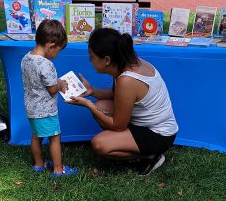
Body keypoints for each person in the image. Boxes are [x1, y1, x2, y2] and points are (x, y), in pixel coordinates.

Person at [66, 28, 178, 175]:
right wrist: (93, 91)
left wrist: (89, 105)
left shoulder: (127, 80)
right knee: (101, 105)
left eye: (92, 56)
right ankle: (132, 146)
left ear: (107, 60)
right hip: (147, 125)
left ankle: (150, 157)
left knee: (100, 144)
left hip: (159, 135)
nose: (89, 60)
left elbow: (118, 126)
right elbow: (116, 95)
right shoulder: (125, 62)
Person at [21, 19, 78, 177]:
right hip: (46, 110)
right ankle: (58, 169)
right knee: (54, 138)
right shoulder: (46, 65)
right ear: (50, 45)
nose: (56, 55)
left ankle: (38, 164)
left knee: (36, 136)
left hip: (31, 108)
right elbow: (52, 89)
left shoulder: (26, 58)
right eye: (58, 51)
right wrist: (60, 83)